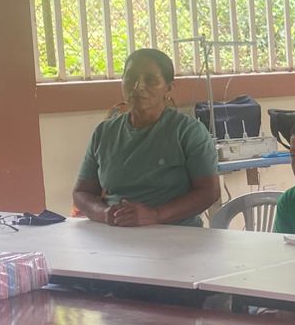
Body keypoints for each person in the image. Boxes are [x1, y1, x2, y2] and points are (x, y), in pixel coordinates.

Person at [73, 49, 220, 227]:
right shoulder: (104, 133)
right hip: (116, 232)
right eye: (131, 77)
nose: (138, 86)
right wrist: (104, 213)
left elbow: (209, 192)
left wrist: (155, 215)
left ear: (169, 88)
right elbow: (82, 193)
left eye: (151, 80)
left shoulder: (188, 132)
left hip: (175, 234)